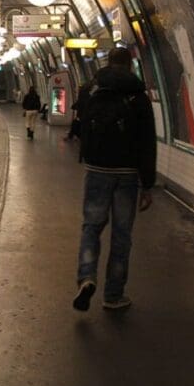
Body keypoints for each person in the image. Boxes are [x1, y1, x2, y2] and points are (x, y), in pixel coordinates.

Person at [72, 47, 155, 312]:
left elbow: (82, 123)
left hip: (97, 169)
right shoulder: (138, 96)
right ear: (131, 65)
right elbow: (147, 142)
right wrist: (148, 184)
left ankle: (86, 278)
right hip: (127, 173)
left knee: (91, 227)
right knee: (121, 235)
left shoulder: (91, 90)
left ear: (107, 62)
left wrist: (86, 156)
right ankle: (113, 295)